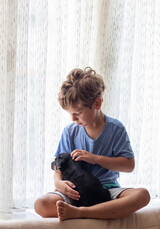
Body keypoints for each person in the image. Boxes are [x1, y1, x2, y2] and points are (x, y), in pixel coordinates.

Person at [34, 67, 150, 220]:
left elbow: (129, 165)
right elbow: (58, 167)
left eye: (78, 113)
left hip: (107, 190)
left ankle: (82, 213)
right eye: (70, 114)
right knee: (40, 204)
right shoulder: (70, 131)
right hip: (75, 190)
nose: (73, 119)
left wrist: (95, 158)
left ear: (97, 103)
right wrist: (59, 184)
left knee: (143, 195)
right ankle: (98, 211)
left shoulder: (116, 129)